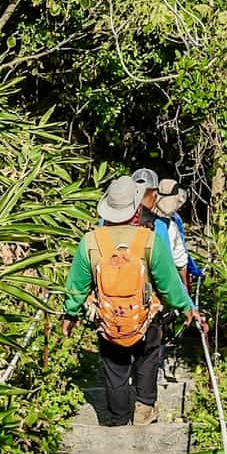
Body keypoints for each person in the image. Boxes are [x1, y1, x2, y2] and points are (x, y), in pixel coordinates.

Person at [64, 175, 201, 427]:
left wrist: (70, 315)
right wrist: (186, 307)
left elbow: (77, 286)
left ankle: (116, 417)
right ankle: (143, 409)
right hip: (146, 317)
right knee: (147, 358)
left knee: (114, 366)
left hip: (108, 318)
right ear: (137, 209)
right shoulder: (149, 240)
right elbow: (169, 284)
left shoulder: (91, 242)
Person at [152, 177, 201, 293]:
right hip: (166, 278)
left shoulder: (145, 218)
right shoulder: (172, 224)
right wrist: (185, 290)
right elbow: (181, 261)